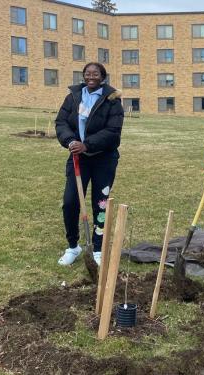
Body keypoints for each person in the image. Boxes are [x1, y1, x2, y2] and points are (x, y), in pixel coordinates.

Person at [55, 62, 124, 266]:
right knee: (70, 202)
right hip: (78, 159)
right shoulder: (74, 97)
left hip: (104, 159)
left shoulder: (112, 101)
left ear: (102, 77)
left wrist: (87, 144)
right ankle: (73, 246)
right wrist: (71, 141)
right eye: (87, 73)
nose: (90, 77)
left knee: (100, 204)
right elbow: (61, 123)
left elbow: (113, 132)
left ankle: (97, 248)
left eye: (95, 74)